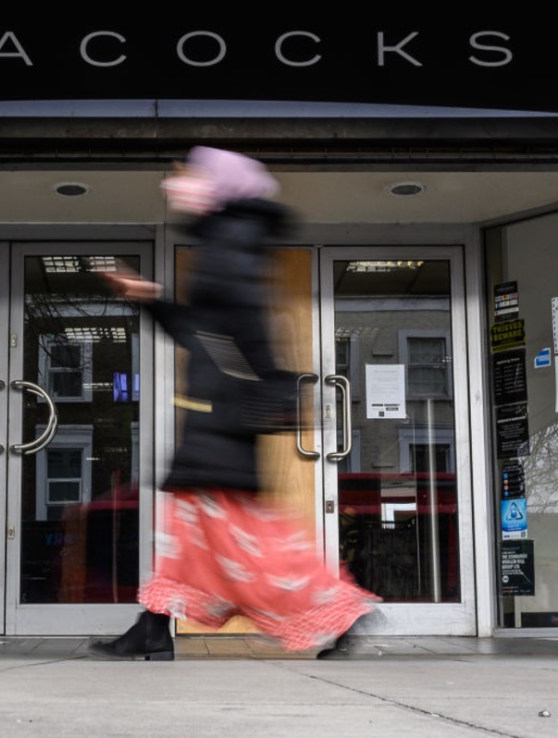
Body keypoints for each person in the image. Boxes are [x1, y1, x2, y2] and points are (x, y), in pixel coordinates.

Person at [89, 146, 375, 661]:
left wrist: (248, 398)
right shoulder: (229, 240)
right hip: (218, 417)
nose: (177, 183)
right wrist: (148, 296)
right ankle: (152, 628)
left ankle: (339, 608)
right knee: (188, 538)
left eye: (189, 174)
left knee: (252, 549)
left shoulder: (230, 242)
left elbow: (241, 333)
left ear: (219, 186)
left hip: (221, 420)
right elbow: (206, 333)